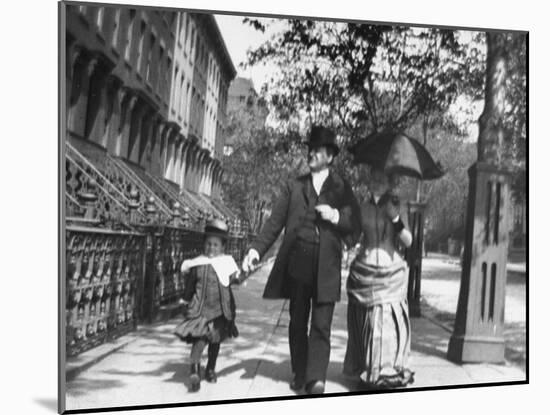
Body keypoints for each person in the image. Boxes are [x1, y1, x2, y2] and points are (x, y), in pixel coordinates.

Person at [242, 125, 360, 394]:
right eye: (310, 149)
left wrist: (335, 216)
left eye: (317, 150)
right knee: (297, 322)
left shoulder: (342, 187)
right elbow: (274, 222)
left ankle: (316, 378)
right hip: (298, 264)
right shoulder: (295, 186)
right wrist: (255, 251)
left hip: (327, 267)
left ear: (330, 156)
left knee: (321, 324)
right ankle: (299, 371)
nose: (311, 153)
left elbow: (355, 222)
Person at [343, 167, 415, 389]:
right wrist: (339, 220)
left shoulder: (397, 206)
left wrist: (394, 218)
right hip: (364, 271)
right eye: (373, 178)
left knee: (384, 321)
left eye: (382, 179)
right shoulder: (361, 208)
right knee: (367, 323)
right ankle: (366, 367)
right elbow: (352, 239)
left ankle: (385, 370)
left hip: (390, 272)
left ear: (389, 182)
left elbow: (408, 241)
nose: (377, 182)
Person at [174, 219, 240, 392]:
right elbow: (189, 286)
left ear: (222, 247)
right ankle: (194, 370)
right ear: (204, 244)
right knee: (200, 341)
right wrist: (185, 301)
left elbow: (232, 284)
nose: (212, 248)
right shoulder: (198, 264)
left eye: (216, 245)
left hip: (219, 311)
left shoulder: (226, 264)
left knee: (215, 342)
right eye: (209, 244)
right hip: (200, 310)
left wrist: (239, 277)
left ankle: (211, 368)